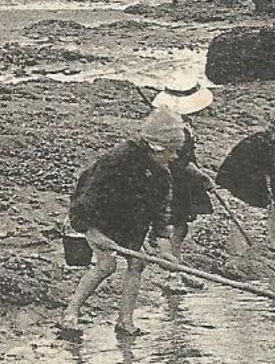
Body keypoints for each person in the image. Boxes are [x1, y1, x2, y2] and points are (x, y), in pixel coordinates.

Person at [60, 106, 185, 340]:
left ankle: (125, 320)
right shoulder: (120, 159)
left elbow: (160, 217)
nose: (175, 157)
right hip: (96, 218)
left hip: (131, 221)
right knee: (106, 265)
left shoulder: (162, 176)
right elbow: (87, 196)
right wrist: (91, 231)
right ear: (156, 148)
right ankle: (71, 313)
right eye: (171, 151)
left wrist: (166, 252)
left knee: (137, 263)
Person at [151, 76, 218, 291]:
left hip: (182, 179)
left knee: (180, 226)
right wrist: (201, 176)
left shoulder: (180, 123)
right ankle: (170, 274)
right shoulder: (173, 127)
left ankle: (176, 269)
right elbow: (178, 160)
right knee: (172, 226)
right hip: (172, 179)